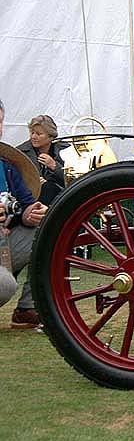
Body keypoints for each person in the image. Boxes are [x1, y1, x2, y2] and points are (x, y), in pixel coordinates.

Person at [0, 98, 49, 327]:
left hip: (5, 243)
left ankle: (27, 309)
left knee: (48, 233)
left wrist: (33, 212)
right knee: (5, 286)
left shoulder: (7, 165)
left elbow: (27, 202)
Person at [18, 114, 68, 204]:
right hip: (32, 199)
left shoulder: (65, 151)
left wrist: (54, 166)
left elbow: (71, 180)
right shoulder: (21, 152)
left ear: (51, 136)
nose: (33, 137)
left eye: (39, 134)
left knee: (50, 188)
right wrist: (34, 182)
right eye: (32, 133)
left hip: (61, 198)